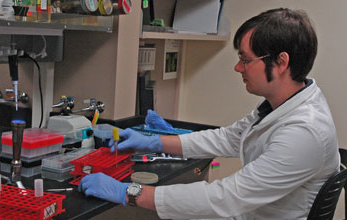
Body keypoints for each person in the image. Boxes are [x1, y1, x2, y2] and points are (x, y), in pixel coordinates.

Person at [78, 8, 340, 219]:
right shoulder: (283, 104)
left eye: (246, 59)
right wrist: (156, 141)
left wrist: (130, 192)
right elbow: (228, 138)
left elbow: (228, 198)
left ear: (281, 62)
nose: (238, 68)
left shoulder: (304, 132)